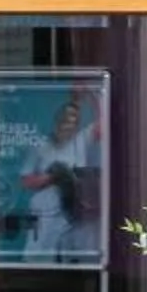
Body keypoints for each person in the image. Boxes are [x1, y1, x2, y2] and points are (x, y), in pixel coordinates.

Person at [18, 96, 98, 262]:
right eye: (65, 119)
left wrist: (92, 95)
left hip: (73, 213)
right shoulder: (41, 146)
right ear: (56, 120)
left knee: (73, 259)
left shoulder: (81, 140)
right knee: (39, 259)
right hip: (46, 213)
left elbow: (103, 125)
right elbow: (25, 181)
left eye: (73, 121)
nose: (68, 124)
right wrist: (53, 177)